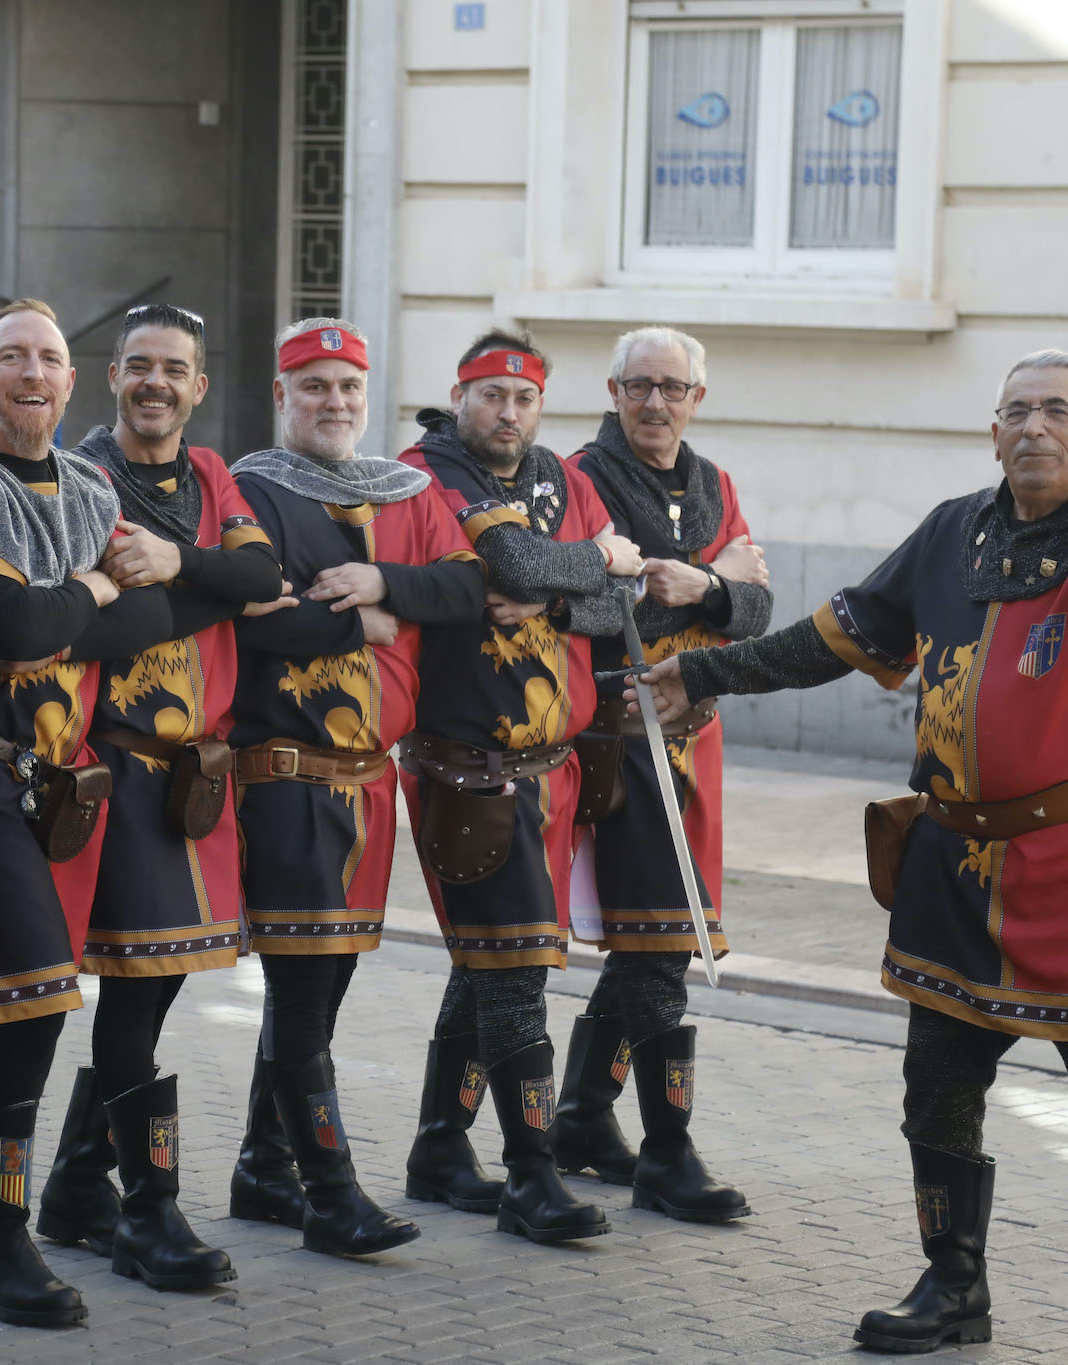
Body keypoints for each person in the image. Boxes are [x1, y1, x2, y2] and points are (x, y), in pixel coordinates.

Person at [637, 350, 1068, 1363]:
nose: (1034, 428)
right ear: (992, 432)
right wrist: (711, 672)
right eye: (1015, 412)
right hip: (952, 859)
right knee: (935, 1085)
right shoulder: (952, 530)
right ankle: (951, 1290)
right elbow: (836, 633)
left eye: (1057, 411)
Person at [0, 297, 181, 1327]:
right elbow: (15, 624)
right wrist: (91, 593)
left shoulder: (86, 483)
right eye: (11, 357)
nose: (32, 373)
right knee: (20, 1009)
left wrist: (78, 602)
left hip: (58, 781)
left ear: (74, 385)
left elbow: (151, 612)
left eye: (50, 360)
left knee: (12, 1006)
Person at [226, 317, 486, 1258]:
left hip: (369, 787)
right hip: (288, 778)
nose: (334, 403)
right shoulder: (248, 487)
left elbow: (467, 592)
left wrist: (382, 584)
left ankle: (263, 1166)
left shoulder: (407, 492)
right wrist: (361, 629)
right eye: (315, 386)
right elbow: (256, 613)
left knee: (324, 989)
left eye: (348, 387)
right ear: (282, 396)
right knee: (301, 994)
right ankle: (330, 1193)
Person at [33, 304, 281, 1290]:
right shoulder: (83, 481)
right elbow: (87, 628)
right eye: (138, 366)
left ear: (198, 385)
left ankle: (76, 1187)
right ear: (111, 376)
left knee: (158, 987)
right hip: (120, 772)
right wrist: (207, 590)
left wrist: (180, 565)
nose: (154, 384)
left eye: (173, 369)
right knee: (134, 994)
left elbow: (261, 575)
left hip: (196, 781)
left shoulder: (215, 477)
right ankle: (149, 1212)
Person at [395, 329, 642, 1245]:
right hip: (470, 770)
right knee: (516, 969)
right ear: (459, 396)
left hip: (555, 770)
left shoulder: (562, 480)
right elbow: (527, 564)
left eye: (523, 397)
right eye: (490, 394)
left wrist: (559, 590)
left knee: (488, 960)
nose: (506, 412)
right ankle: (532, 1173)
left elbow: (627, 607)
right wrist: (595, 561)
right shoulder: (432, 472)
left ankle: (437, 1144)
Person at [554, 326, 769, 1225]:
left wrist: (711, 587)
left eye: (672, 388)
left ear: (697, 398)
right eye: (639, 386)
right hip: (614, 737)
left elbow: (755, 605)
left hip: (692, 741)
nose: (655, 403)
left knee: (660, 939)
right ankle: (667, 1153)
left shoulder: (714, 483)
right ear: (613, 390)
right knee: (656, 947)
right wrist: (672, 583)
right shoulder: (576, 478)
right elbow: (570, 592)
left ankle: (581, 1116)